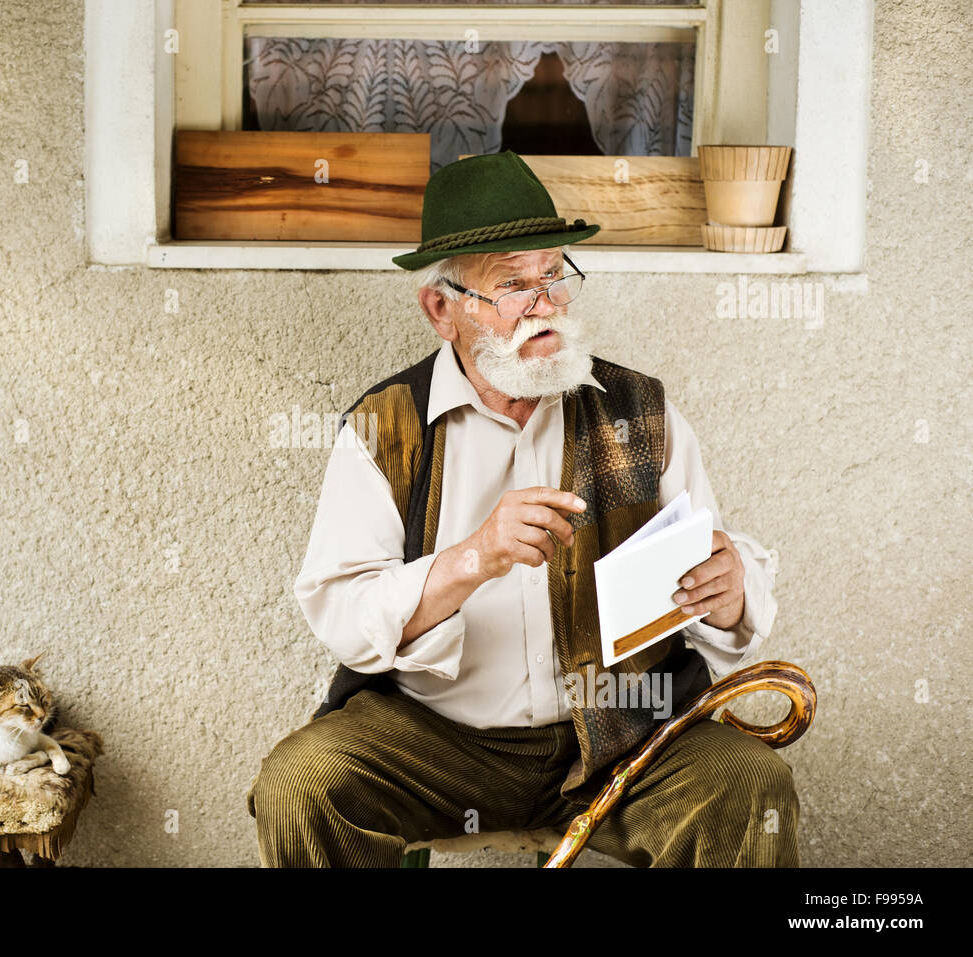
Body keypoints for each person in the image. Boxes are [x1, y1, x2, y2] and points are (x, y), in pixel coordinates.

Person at [246, 151, 796, 867]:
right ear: (441, 308)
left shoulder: (641, 412)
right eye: (512, 284)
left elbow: (708, 574)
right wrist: (472, 558)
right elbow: (344, 612)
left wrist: (729, 592)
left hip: (625, 736)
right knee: (303, 783)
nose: (546, 302)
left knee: (749, 780)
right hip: (437, 742)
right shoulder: (383, 429)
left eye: (554, 274)